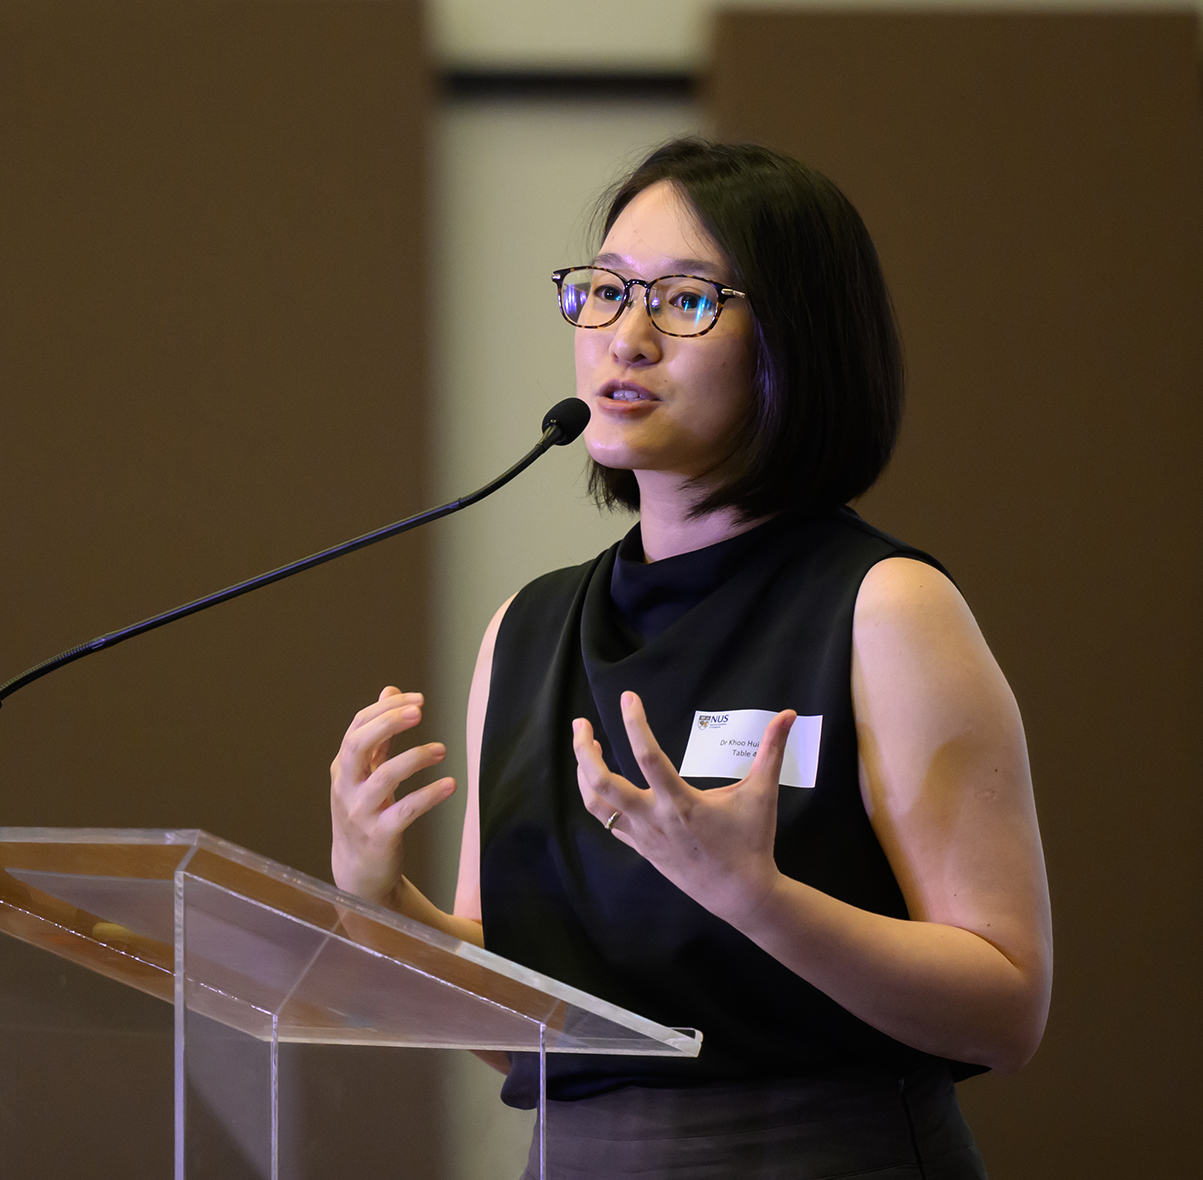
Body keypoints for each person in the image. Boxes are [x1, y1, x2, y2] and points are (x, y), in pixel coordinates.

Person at [329, 139, 1051, 1179]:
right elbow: (527, 1030)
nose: (625, 338)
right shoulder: (526, 632)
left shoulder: (883, 608)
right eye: (604, 291)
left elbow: (1008, 1007)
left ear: (794, 342)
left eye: (684, 301)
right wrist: (380, 902)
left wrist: (757, 896)